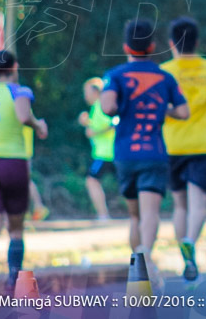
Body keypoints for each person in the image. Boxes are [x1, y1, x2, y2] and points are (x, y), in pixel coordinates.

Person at [100, 19, 188, 289]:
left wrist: (122, 105)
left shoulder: (115, 75)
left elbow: (107, 107)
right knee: (151, 212)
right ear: (152, 47)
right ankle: (146, 255)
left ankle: (138, 263)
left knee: (134, 215)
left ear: (126, 46)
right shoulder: (165, 77)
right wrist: (164, 109)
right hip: (154, 153)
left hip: (125, 154)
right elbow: (183, 112)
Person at [161, 16, 206, 281]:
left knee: (179, 206)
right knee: (199, 204)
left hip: (172, 147)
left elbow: (157, 109)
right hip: (205, 146)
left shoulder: (164, 71)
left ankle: (186, 254)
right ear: (197, 42)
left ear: (172, 44)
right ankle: (191, 240)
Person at [0, 50, 48, 291]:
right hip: (14, 162)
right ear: (14, 68)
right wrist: (38, 125)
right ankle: (13, 277)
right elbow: (23, 115)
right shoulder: (19, 91)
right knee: (16, 228)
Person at [78, 76, 116, 221]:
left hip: (106, 154)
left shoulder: (101, 105)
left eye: (86, 92)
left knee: (92, 181)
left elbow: (113, 123)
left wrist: (91, 130)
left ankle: (103, 215)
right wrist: (87, 122)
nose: (85, 96)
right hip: (107, 153)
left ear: (95, 92)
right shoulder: (97, 107)